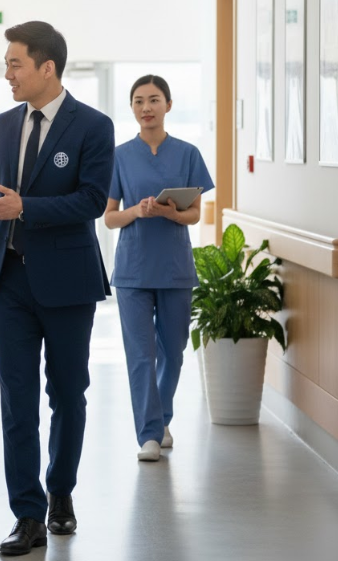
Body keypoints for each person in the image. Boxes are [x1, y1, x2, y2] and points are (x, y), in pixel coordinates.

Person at [0, 21, 115, 556]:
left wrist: (26, 206)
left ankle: (61, 492)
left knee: (68, 395)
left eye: (14, 64)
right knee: (17, 401)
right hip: (10, 285)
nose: (7, 73)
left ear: (46, 67)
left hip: (69, 283)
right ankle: (26, 514)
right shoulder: (3, 125)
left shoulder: (93, 126)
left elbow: (93, 201)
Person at [104, 75, 214, 462]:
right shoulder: (118, 156)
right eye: (138, 101)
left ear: (168, 105)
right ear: (132, 108)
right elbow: (110, 219)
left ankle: (162, 416)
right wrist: (138, 210)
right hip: (132, 270)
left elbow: (195, 215)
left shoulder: (187, 154)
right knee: (140, 354)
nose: (146, 107)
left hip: (174, 268)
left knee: (175, 350)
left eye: (153, 100)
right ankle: (149, 434)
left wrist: (170, 211)